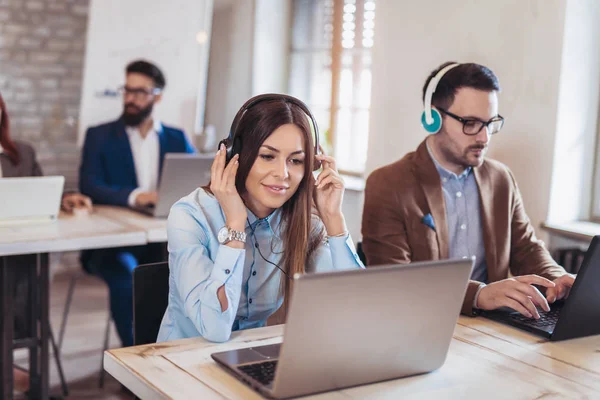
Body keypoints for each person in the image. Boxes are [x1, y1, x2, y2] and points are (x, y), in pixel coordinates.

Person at [361, 62, 575, 318]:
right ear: (433, 119)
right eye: (471, 123)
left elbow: (526, 249)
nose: (484, 137)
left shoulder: (500, 179)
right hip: (419, 323)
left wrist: (556, 277)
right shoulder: (388, 184)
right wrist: (477, 295)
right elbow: (393, 281)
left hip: (489, 329)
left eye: (490, 123)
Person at [157, 94, 364, 343]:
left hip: (249, 356)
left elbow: (355, 312)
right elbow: (214, 329)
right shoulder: (190, 216)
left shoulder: (300, 222)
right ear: (237, 155)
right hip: (179, 361)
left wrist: (333, 218)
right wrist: (235, 225)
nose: (282, 173)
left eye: (296, 160)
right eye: (267, 156)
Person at [78, 60, 195, 347]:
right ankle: (137, 359)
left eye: (140, 92)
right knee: (128, 277)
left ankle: (169, 351)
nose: (130, 98)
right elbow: (89, 184)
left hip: (160, 238)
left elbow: (195, 178)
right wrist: (136, 196)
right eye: (127, 90)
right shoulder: (100, 135)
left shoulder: (177, 138)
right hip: (110, 243)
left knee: (177, 278)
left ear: (157, 96)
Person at [0, 91, 91, 397]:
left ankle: (15, 372)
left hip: (17, 259)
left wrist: (63, 200)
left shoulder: (21, 154)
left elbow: (39, 197)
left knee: (25, 277)